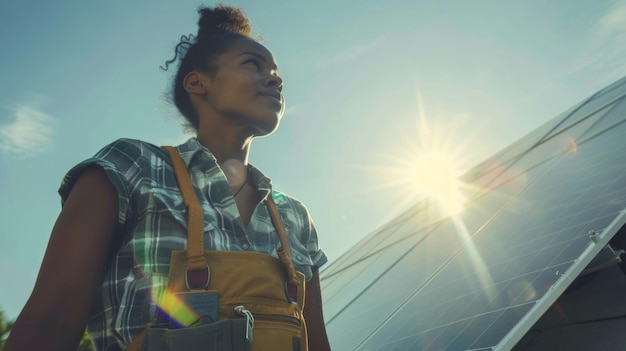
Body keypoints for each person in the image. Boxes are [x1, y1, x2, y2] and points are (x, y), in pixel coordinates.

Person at [5, 5, 331, 351]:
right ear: (197, 82)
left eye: (276, 72)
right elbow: (49, 324)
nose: (275, 79)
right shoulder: (131, 168)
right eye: (252, 63)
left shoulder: (295, 217)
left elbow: (317, 343)